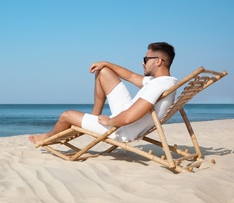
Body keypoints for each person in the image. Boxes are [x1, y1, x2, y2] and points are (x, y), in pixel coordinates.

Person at [29, 42, 177, 144]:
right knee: (103, 72)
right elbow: (131, 76)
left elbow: (130, 117)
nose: (142, 63)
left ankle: (49, 136)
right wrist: (106, 63)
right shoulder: (161, 81)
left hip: (121, 129)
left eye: (146, 59)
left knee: (66, 116)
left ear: (158, 61)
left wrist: (109, 122)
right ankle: (93, 116)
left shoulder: (158, 86)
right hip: (123, 114)